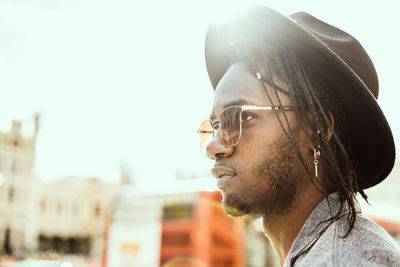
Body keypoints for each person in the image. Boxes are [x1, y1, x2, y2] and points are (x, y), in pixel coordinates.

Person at [197, 5, 400, 266]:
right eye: (214, 125)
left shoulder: (352, 260)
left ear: (317, 129)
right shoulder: (318, 253)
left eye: (242, 117)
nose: (214, 146)